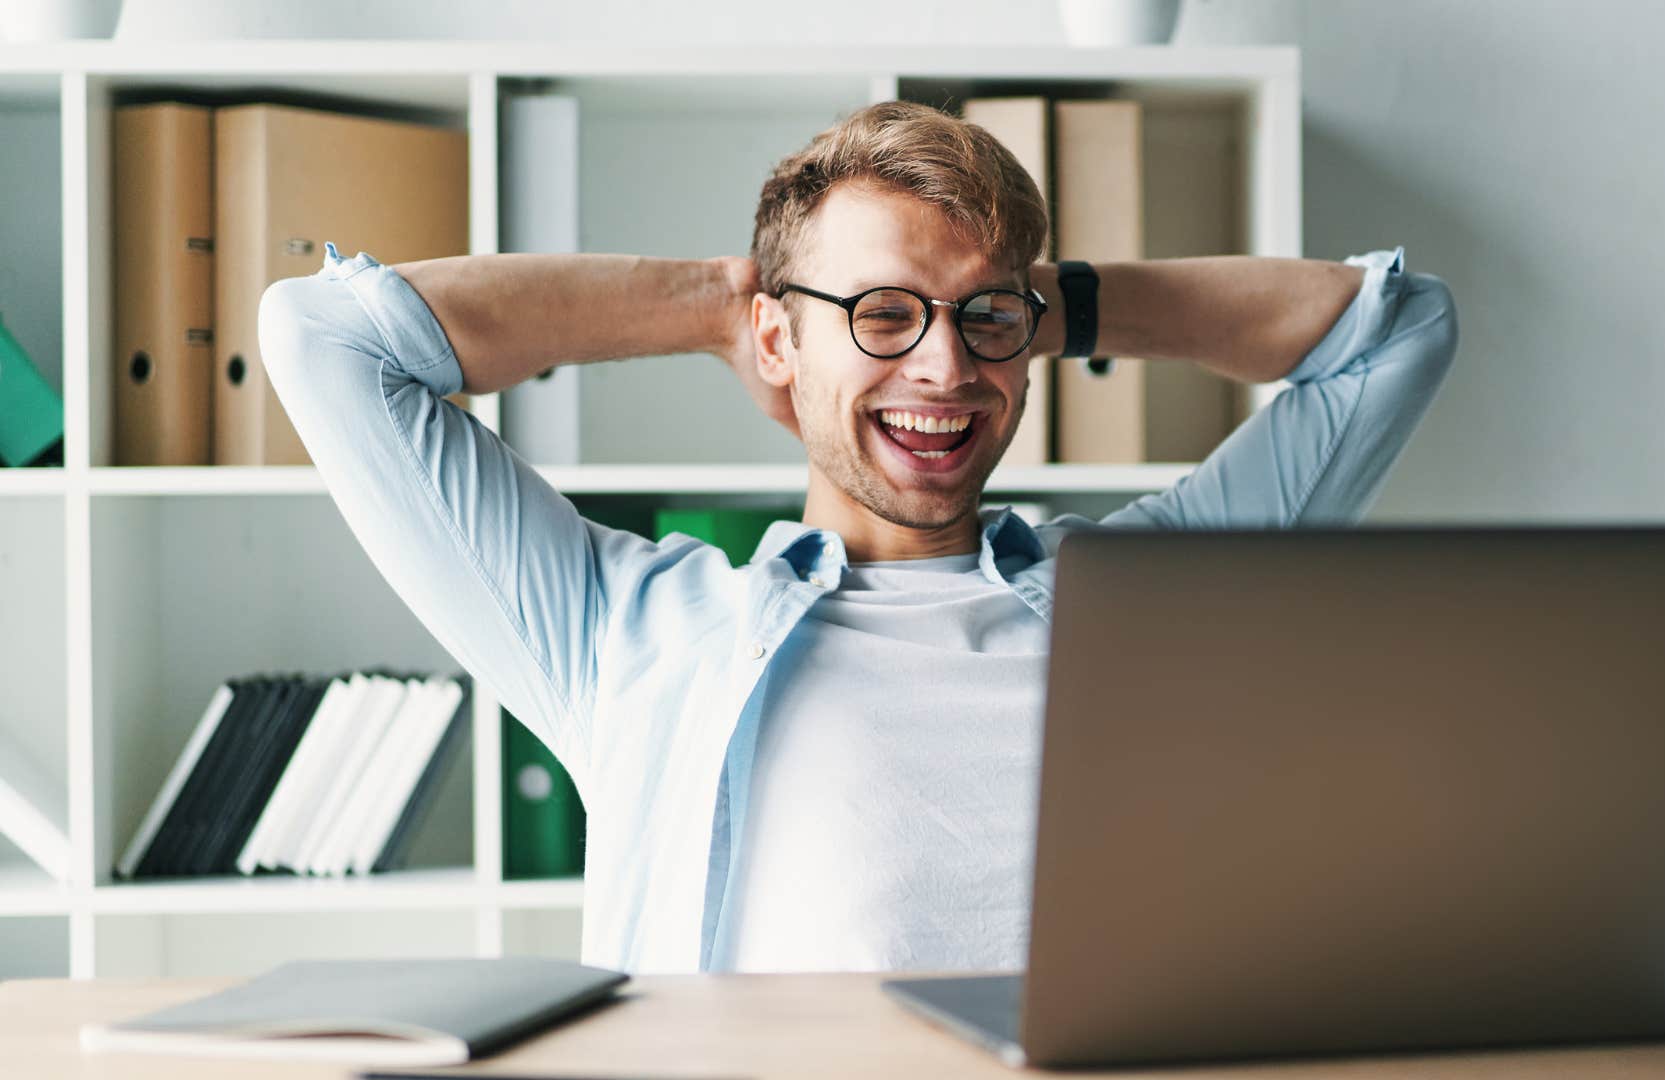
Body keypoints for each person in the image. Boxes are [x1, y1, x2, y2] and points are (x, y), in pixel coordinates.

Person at [256, 100, 1458, 976]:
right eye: (882, 314)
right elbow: (326, 340)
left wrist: (1050, 301)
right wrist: (718, 300)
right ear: (780, 344)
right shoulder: (628, 636)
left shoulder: (1152, 596)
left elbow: (1400, 332)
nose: (945, 365)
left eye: (983, 317)